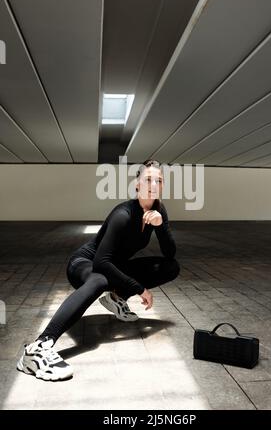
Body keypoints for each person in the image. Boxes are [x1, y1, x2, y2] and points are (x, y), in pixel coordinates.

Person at [17, 159, 180, 381]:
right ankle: (38, 348)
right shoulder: (123, 214)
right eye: (148, 179)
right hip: (85, 264)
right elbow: (101, 263)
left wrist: (160, 227)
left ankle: (116, 297)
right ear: (137, 185)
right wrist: (139, 289)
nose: (153, 185)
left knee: (170, 267)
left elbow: (170, 253)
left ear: (162, 187)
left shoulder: (159, 211)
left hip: (112, 266)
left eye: (158, 181)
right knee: (100, 280)